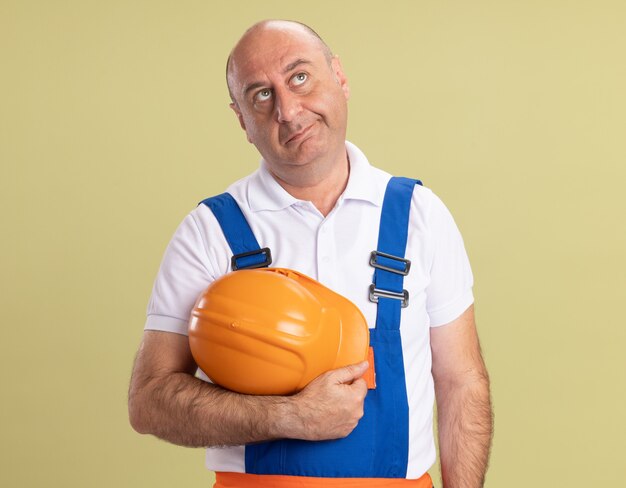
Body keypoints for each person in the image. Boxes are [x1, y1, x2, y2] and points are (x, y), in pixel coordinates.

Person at [128, 19, 493, 488]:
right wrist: (288, 416)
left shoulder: (420, 216)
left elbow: (462, 381)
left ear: (339, 77)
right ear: (242, 119)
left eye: (299, 77)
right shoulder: (210, 231)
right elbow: (150, 400)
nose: (288, 110)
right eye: (261, 94)